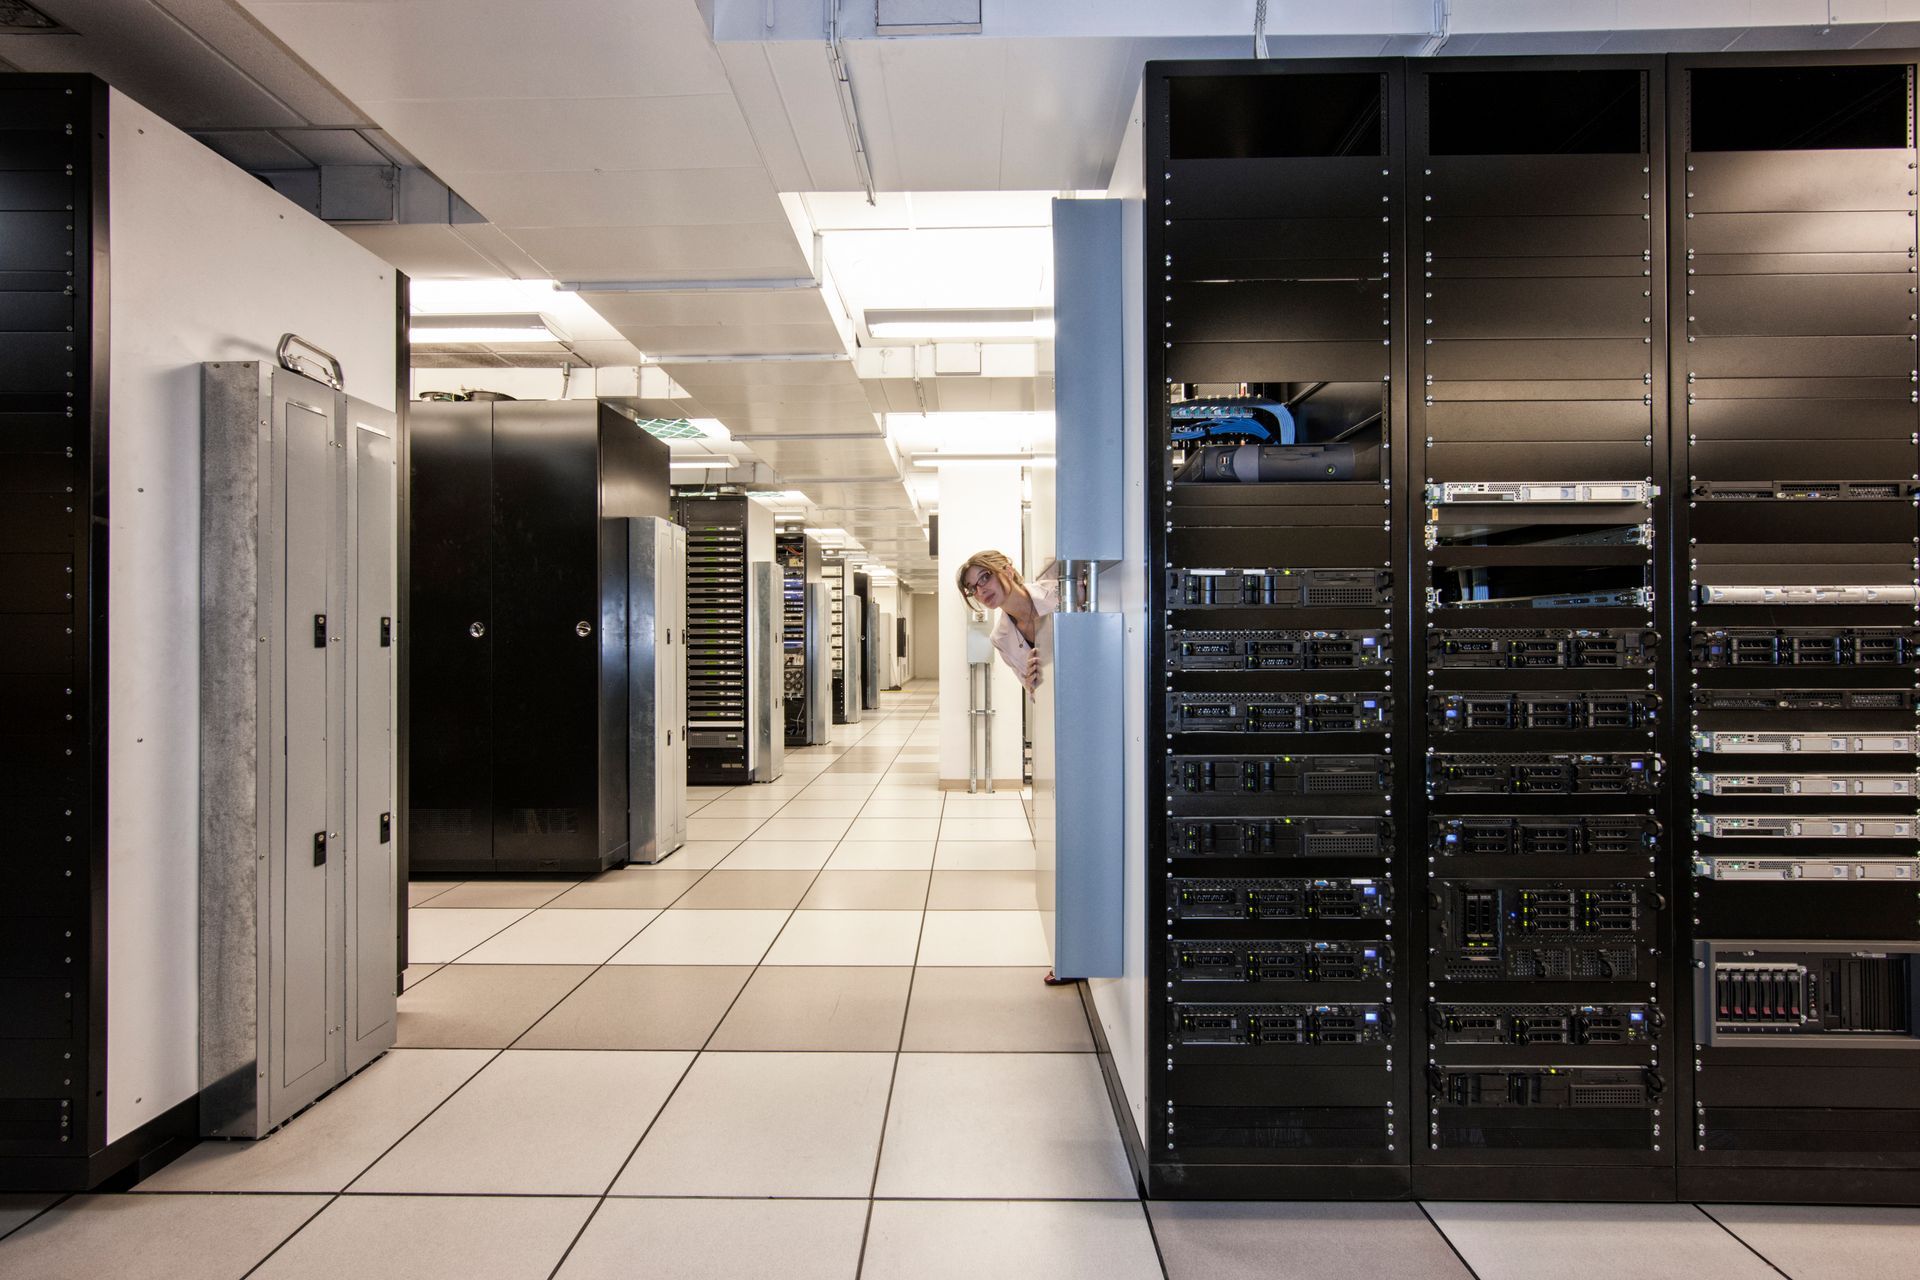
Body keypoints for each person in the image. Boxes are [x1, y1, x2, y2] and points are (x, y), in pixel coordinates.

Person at [956, 550, 1069, 986]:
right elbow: (1036, 692)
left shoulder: (1058, 595)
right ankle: (1070, 946)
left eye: (984, 577)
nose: (981, 589)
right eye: (972, 586)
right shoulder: (1002, 638)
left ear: (1006, 569)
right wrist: (1037, 677)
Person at [956, 549, 1056, 694]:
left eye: (984, 578)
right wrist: (1030, 686)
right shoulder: (999, 639)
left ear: (1008, 572)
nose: (980, 591)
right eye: (972, 589)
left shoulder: (1057, 591)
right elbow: (1032, 693)